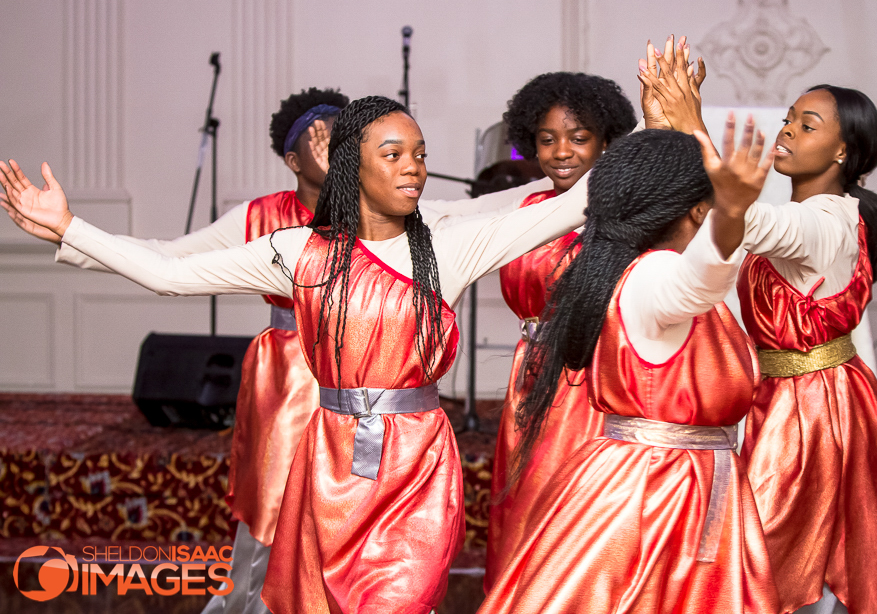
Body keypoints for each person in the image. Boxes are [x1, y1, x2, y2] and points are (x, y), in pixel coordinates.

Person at [0, 95, 589, 614]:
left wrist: (672, 127)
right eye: (393, 154)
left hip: (417, 468)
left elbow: (571, 202)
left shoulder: (449, 246)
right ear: (351, 166)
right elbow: (170, 273)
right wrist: (71, 227)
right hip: (329, 462)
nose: (414, 167)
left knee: (398, 600)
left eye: (420, 153)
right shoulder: (296, 250)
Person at [642, 29, 877, 613]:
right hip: (789, 391)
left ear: (841, 154)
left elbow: (734, 213)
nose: (788, 129)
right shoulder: (835, 190)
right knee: (800, 544)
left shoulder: (826, 224)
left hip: (812, 408)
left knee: (764, 545)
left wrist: (689, 122)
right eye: (789, 117)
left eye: (806, 126)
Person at [480, 122, 779, 613]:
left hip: (670, 476)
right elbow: (701, 279)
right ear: (698, 209)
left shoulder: (634, 269)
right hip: (656, 490)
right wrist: (732, 214)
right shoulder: (653, 275)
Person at [485, 71, 638, 591]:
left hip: (589, 376)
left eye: (578, 138)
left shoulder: (621, 213)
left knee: (576, 507)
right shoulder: (528, 209)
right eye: (548, 139)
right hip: (529, 374)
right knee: (526, 500)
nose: (561, 152)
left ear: (604, 141)